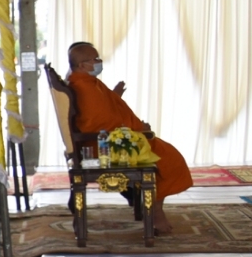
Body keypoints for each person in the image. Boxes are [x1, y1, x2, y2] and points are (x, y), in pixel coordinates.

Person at [63, 41, 191, 232]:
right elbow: (97, 123)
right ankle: (155, 212)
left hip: (106, 139)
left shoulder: (84, 81)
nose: (99, 62)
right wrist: (137, 130)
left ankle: (146, 204)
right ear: (82, 65)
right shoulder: (84, 86)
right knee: (168, 158)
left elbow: (102, 112)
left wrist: (115, 96)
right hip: (103, 147)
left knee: (165, 152)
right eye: (95, 59)